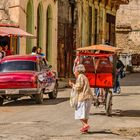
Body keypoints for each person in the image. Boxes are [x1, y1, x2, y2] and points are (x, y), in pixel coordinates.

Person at [69, 64, 93, 133]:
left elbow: (78, 87)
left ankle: (85, 125)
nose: (74, 73)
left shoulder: (80, 76)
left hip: (83, 98)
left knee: (79, 113)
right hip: (88, 97)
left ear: (78, 71)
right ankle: (85, 129)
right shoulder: (84, 77)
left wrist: (72, 85)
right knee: (85, 114)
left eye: (75, 71)